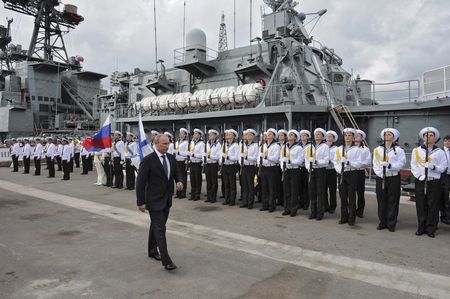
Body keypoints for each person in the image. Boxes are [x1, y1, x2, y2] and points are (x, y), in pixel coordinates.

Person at [136, 134, 183, 271]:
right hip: (154, 200)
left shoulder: (170, 157)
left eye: (168, 143)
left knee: (156, 226)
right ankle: (166, 260)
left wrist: (179, 181)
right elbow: (140, 183)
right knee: (161, 229)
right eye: (164, 144)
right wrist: (140, 202)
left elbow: (176, 172)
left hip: (166, 199)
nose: (167, 146)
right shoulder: (148, 160)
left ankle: (152, 250)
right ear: (156, 144)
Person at [411, 127, 446, 238]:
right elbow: (414, 165)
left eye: (431, 135)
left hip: (434, 181)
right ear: (423, 137)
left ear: (435, 138)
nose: (428, 137)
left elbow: (443, 167)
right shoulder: (416, 151)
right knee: (421, 205)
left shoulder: (440, 152)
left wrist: (433, 167)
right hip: (421, 180)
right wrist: (419, 175)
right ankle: (421, 227)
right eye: (426, 135)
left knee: (433, 206)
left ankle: (431, 228)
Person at [372, 128, 406, 232]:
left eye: (390, 134)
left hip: (393, 177)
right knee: (381, 200)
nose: (387, 136)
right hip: (381, 177)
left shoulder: (399, 150)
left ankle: (391, 223)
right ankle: (382, 222)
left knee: (393, 200)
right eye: (386, 134)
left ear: (394, 137)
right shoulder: (377, 150)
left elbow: (401, 163)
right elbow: (375, 164)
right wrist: (380, 174)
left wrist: (390, 165)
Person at [333, 128, 359, 226]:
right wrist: (339, 170)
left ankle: (352, 218)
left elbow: (359, 163)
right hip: (341, 173)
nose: (347, 137)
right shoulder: (339, 149)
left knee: (351, 196)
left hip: (351, 173)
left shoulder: (357, 149)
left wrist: (348, 162)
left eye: (349, 136)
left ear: (353, 138)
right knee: (342, 196)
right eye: (345, 135)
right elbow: (335, 161)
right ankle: (344, 217)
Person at [305, 128, 330, 221]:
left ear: (323, 137)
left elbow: (326, 161)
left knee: (320, 192)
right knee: (312, 192)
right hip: (312, 170)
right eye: (315, 134)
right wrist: (309, 167)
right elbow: (306, 159)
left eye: (319, 134)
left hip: (320, 170)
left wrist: (316, 161)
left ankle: (320, 212)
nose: (316, 136)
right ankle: (313, 211)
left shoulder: (325, 147)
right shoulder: (310, 147)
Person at [282, 129, 303, 217]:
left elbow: (300, 160)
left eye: (291, 135)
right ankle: (287, 208)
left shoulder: (299, 148)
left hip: (295, 170)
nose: (289, 136)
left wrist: (290, 161)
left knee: (294, 190)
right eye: (289, 135)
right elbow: (281, 158)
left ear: (295, 138)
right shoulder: (284, 147)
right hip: (286, 169)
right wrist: (282, 166)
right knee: (286, 190)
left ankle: (293, 209)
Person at [259, 128, 281, 212]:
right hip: (264, 167)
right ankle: (265, 204)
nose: (268, 136)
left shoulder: (276, 146)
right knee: (264, 187)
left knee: (272, 187)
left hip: (272, 168)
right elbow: (259, 156)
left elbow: (275, 158)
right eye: (267, 134)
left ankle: (272, 205)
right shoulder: (263, 145)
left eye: (270, 134)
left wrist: (266, 156)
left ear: (274, 136)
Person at [354, 129, 371, 218]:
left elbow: (367, 161)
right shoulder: (348, 148)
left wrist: (357, 163)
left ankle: (360, 211)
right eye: (355, 136)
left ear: (361, 138)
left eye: (357, 136)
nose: (355, 137)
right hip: (350, 171)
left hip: (360, 171)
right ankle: (352, 210)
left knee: (360, 192)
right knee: (351, 192)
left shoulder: (365, 149)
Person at [240, 129, 259, 209]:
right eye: (247, 135)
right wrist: (240, 161)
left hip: (251, 166)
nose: (248, 136)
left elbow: (255, 157)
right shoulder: (243, 145)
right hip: (244, 166)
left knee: (250, 185)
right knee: (244, 185)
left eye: (250, 135)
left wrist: (247, 157)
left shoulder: (255, 145)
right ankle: (245, 202)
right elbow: (239, 154)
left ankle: (250, 203)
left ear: (253, 136)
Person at [222, 129, 240, 206]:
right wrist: (221, 160)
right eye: (227, 134)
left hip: (232, 165)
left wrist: (228, 157)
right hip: (225, 165)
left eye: (229, 134)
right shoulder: (224, 144)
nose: (227, 136)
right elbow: (221, 154)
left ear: (233, 136)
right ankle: (227, 199)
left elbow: (236, 157)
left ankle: (232, 200)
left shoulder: (235, 145)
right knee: (226, 184)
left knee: (232, 183)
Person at [204, 129, 221, 203]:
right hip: (207, 164)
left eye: (211, 135)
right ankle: (209, 196)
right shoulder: (207, 144)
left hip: (213, 164)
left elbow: (217, 156)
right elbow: (203, 153)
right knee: (208, 181)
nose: (210, 136)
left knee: (214, 181)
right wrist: (204, 158)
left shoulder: (218, 145)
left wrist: (209, 156)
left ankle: (213, 197)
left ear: (215, 136)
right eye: (209, 135)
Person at [189, 128, 205, 201]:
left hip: (198, 163)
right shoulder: (192, 142)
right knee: (192, 179)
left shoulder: (202, 144)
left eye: (196, 134)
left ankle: (197, 194)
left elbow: (202, 155)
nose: (194, 135)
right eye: (194, 133)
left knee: (197, 179)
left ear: (199, 135)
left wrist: (194, 155)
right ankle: (192, 194)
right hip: (192, 162)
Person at [325, 130, 338, 214]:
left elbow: (337, 159)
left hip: (332, 170)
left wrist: (330, 161)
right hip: (323, 170)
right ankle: (325, 205)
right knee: (323, 189)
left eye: (330, 137)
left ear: (333, 139)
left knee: (332, 190)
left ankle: (332, 206)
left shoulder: (336, 148)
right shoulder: (323, 147)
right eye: (327, 137)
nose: (329, 138)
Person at [174, 128, 189, 199]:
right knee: (177, 178)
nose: (180, 134)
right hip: (177, 161)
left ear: (185, 135)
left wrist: (179, 153)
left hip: (182, 161)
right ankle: (178, 192)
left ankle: (183, 193)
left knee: (183, 178)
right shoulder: (177, 142)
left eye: (182, 133)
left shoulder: (186, 143)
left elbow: (187, 153)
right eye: (180, 133)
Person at [298, 130, 311, 210]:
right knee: (299, 186)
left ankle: (306, 203)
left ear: (307, 137)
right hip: (299, 167)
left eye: (304, 135)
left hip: (306, 167)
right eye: (302, 135)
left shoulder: (310, 146)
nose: (303, 137)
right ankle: (300, 202)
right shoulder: (298, 145)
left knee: (306, 186)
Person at [440, 135, 450, 225]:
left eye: (449, 141)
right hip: (444, 177)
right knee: (444, 197)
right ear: (443, 142)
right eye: (446, 141)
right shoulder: (440, 151)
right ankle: (444, 217)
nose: (448, 143)